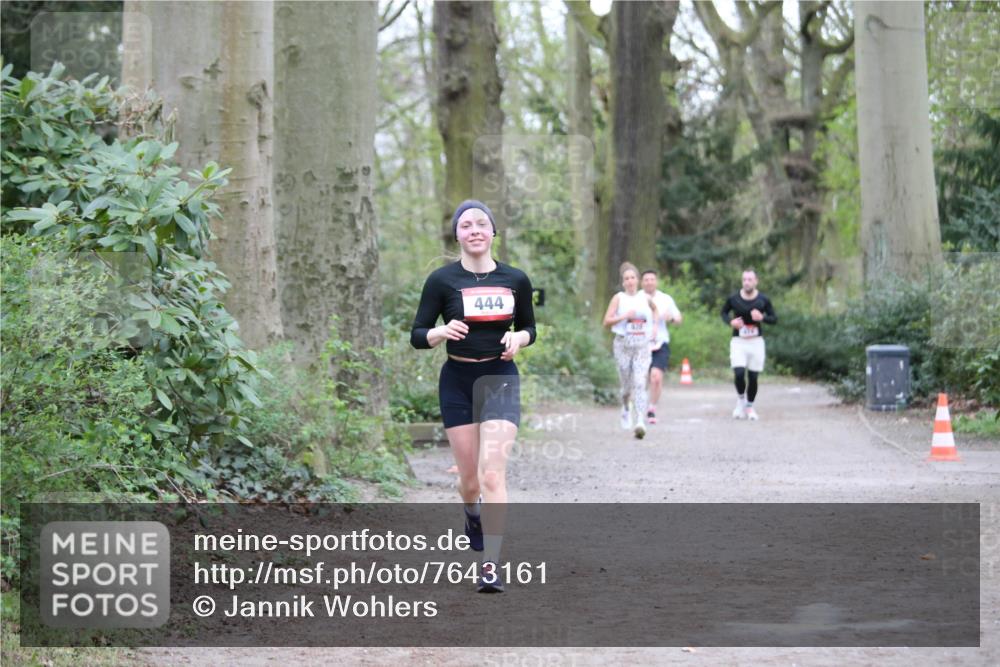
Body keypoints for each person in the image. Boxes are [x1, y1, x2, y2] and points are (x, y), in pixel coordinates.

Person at [410, 199, 536, 593]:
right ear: (458, 234)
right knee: (469, 481)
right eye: (467, 225)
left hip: (499, 376)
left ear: (493, 232)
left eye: (482, 223)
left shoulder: (516, 279)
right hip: (457, 381)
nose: (475, 230)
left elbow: (531, 328)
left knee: (492, 473)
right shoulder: (441, 280)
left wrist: (519, 337)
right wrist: (439, 333)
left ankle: (491, 566)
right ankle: (471, 512)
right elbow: (417, 334)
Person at [603, 262, 658, 439]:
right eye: (626, 278)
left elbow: (655, 310)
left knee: (640, 382)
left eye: (633, 277)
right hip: (623, 345)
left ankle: (640, 420)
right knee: (626, 386)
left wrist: (655, 327)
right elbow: (606, 322)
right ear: (623, 282)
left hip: (642, 346)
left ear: (638, 280)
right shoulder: (619, 298)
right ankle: (626, 407)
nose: (630, 281)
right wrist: (624, 316)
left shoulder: (645, 298)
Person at [720, 268, 776, 421]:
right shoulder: (733, 298)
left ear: (756, 281)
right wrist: (731, 322)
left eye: (750, 279)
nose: (746, 282)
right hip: (738, 341)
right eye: (744, 279)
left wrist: (762, 318)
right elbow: (723, 313)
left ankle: (749, 406)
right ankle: (740, 400)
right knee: (738, 373)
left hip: (756, 342)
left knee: (753, 377)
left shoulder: (763, 300)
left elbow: (774, 318)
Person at [641, 269, 682, 425]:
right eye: (646, 279)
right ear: (642, 282)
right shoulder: (637, 298)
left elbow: (678, 318)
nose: (649, 282)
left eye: (652, 279)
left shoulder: (666, 299)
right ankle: (639, 406)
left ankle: (651, 408)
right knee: (641, 379)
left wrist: (670, 317)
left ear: (656, 281)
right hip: (640, 344)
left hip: (660, 343)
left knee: (656, 378)